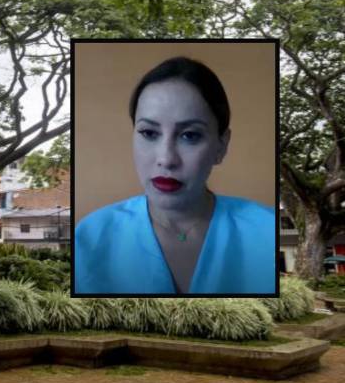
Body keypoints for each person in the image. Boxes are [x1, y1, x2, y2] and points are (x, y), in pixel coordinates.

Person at [74, 56, 275, 295]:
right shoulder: (90, 236)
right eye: (149, 133)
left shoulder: (267, 230)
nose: (167, 159)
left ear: (221, 146)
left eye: (190, 135)